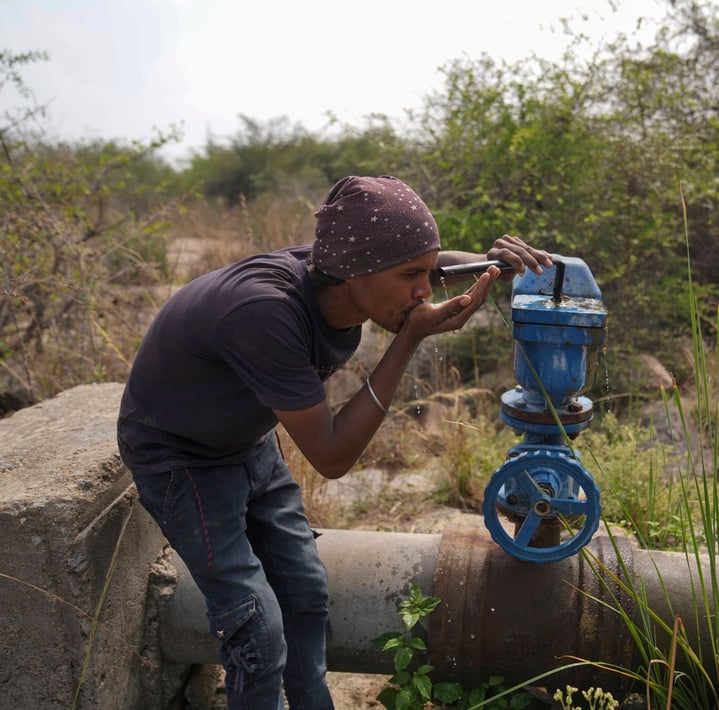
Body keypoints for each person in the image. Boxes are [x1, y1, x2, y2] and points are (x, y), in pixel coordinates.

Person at [117, 175, 553, 709]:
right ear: (352, 274)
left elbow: (423, 263)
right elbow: (331, 456)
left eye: (428, 271)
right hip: (181, 459)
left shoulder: (343, 270)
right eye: (411, 276)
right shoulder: (263, 311)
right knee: (255, 627)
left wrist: (496, 261)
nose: (425, 289)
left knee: (305, 592)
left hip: (247, 442)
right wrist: (410, 337)